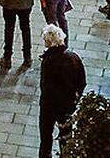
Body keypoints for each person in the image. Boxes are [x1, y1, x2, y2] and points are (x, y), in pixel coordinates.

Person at [38, 24, 86, 158]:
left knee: (46, 138)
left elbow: (46, 87)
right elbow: (82, 82)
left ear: (48, 42)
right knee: (66, 138)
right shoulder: (73, 58)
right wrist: (76, 98)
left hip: (48, 107)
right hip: (67, 106)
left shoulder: (48, 61)